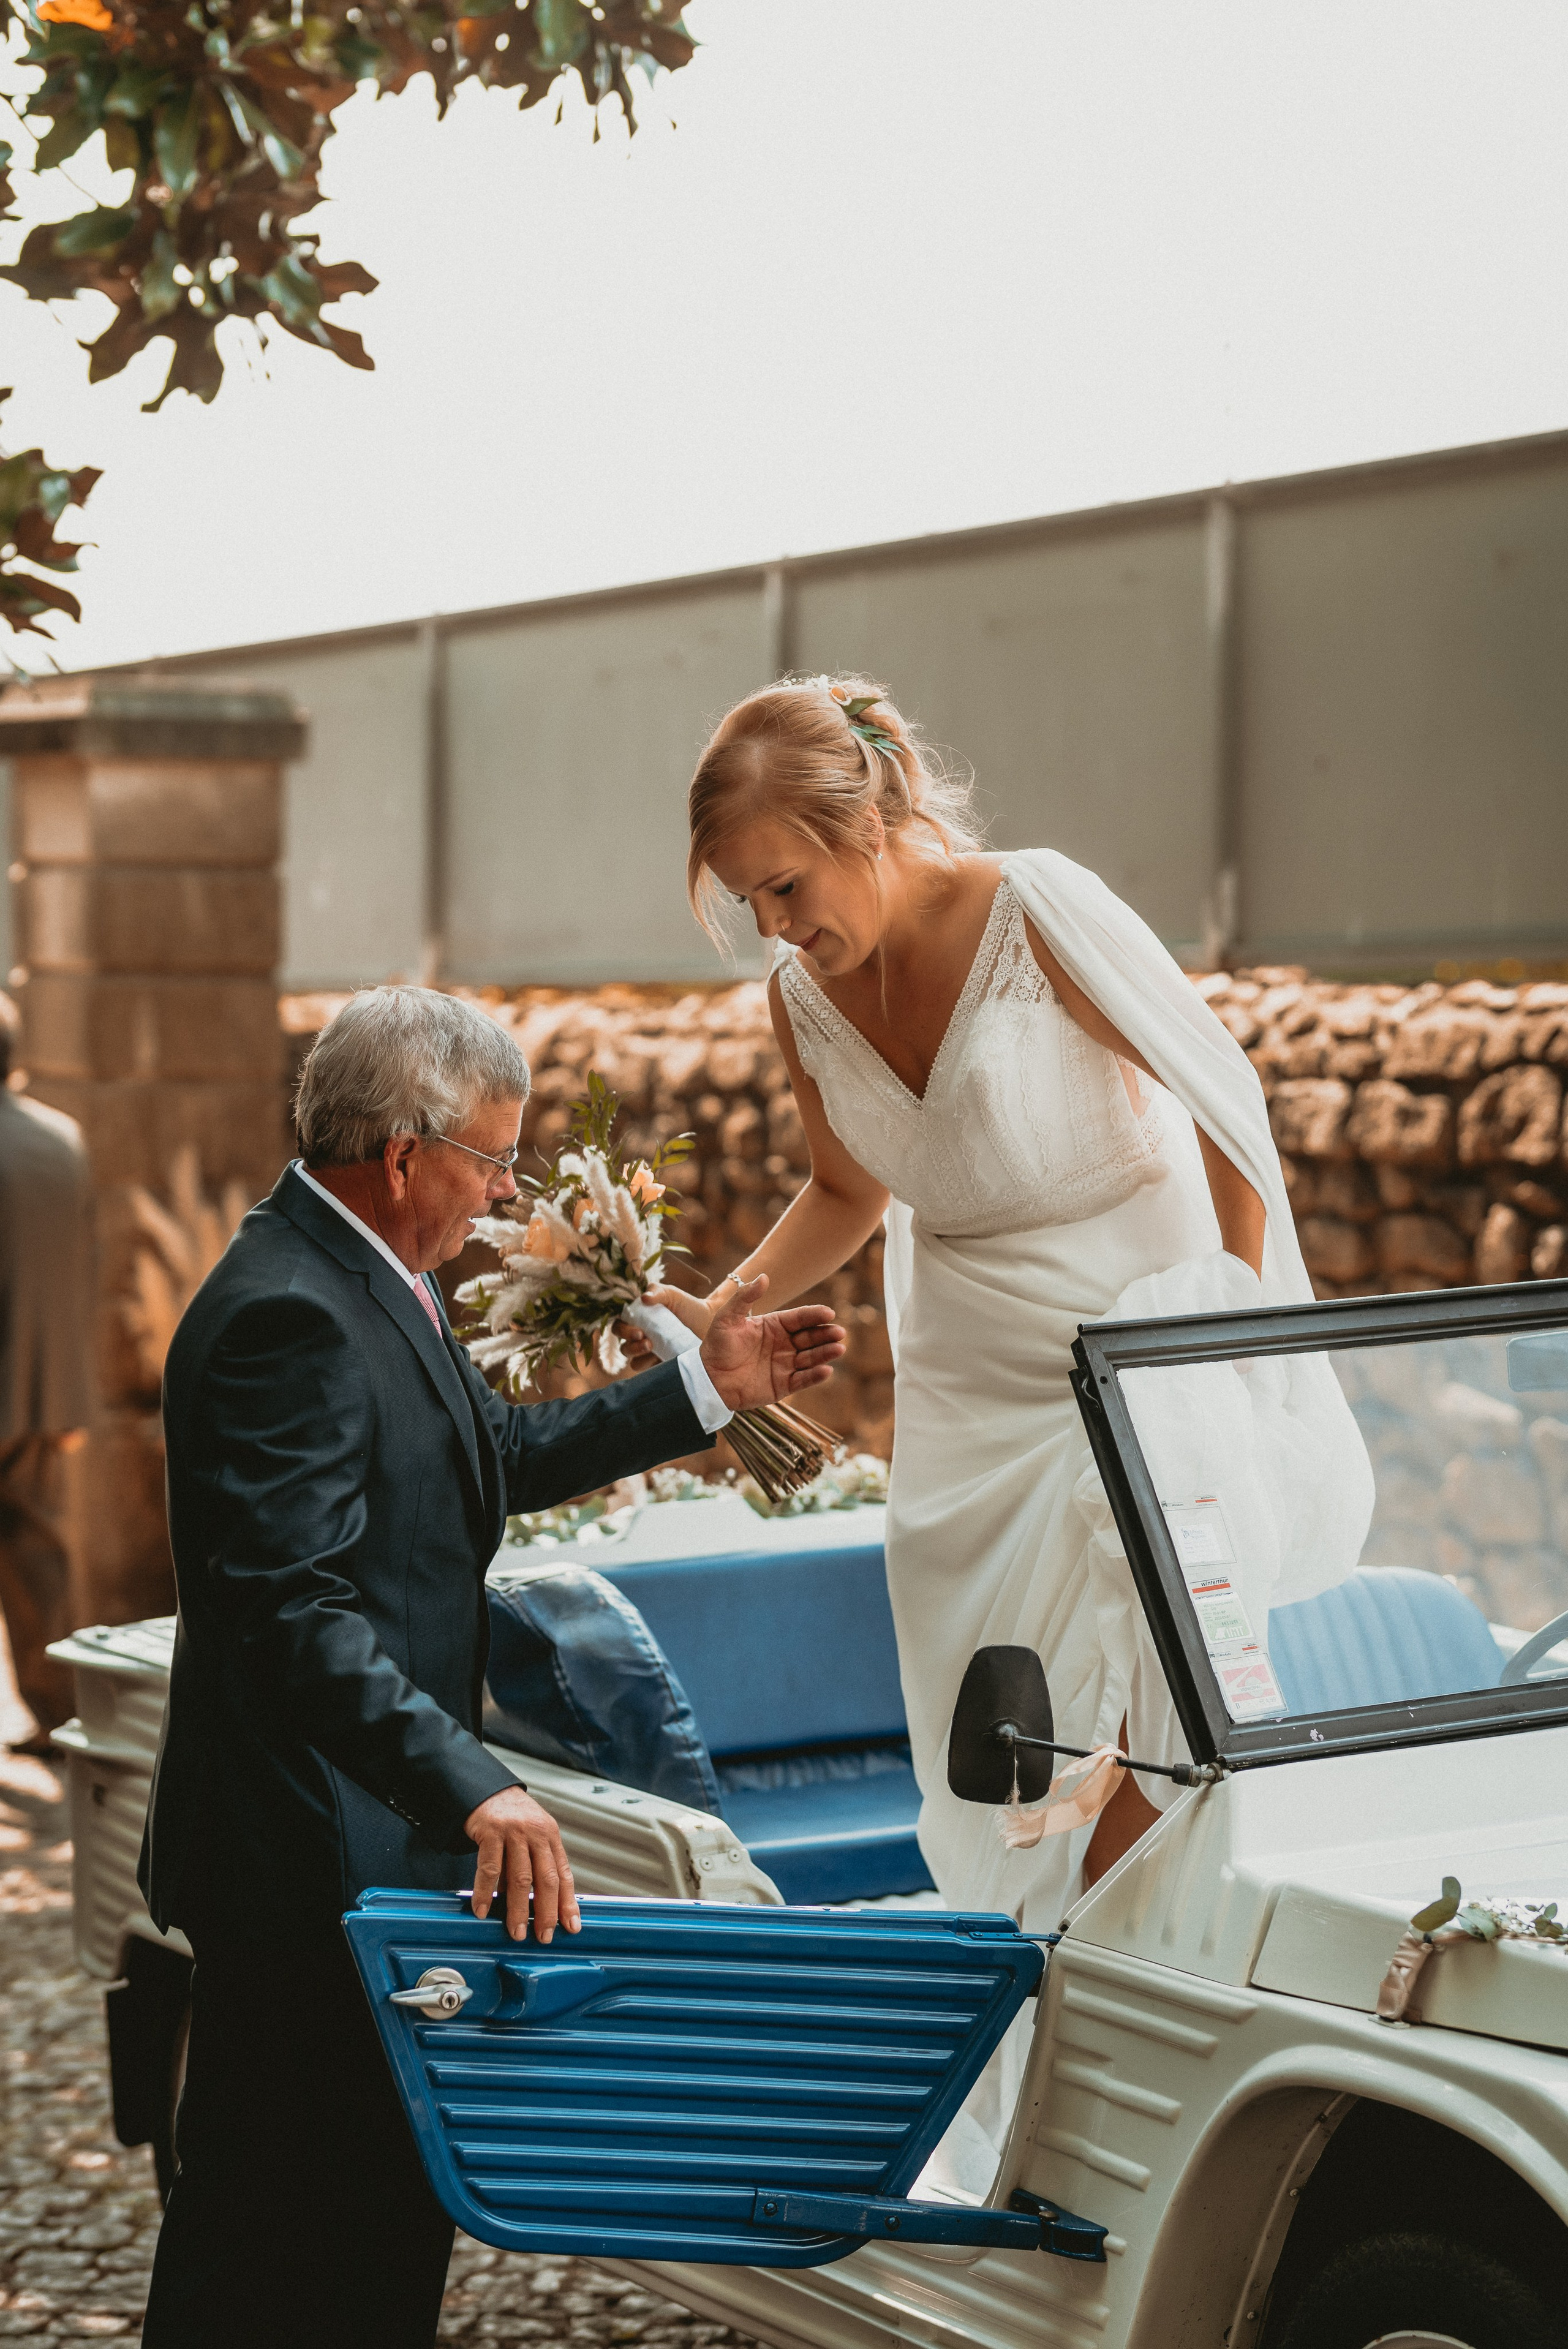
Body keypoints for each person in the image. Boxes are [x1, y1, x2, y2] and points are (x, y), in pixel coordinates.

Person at [677, 676, 1366, 2162]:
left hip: (1133, 1353)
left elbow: (1220, 1099)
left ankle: (1118, 2055)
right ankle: (1029, 2010)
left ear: (865, 814)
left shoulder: (1037, 908)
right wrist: (722, 1310)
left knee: (1144, 1718)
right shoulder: (797, 996)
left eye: (785, 885)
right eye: (750, 905)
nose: (777, 927)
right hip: (969, 1393)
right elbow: (848, 1190)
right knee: (1003, 1748)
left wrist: (1224, 1333)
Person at [138, 986, 845, 2349]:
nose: (504, 1193)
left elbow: (490, 1464)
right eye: (490, 1160)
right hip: (298, 1862)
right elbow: (291, 1610)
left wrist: (707, 1390)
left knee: (378, 2227)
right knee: (269, 2242)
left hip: (355, 1849)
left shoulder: (370, 1271)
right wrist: (474, 1784)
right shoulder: (286, 1308)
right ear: (403, 1152)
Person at [0, 990, 91, 1749]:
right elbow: (73, 1271)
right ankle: (59, 1715)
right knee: (40, 1565)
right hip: (44, 1391)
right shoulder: (62, 1139)